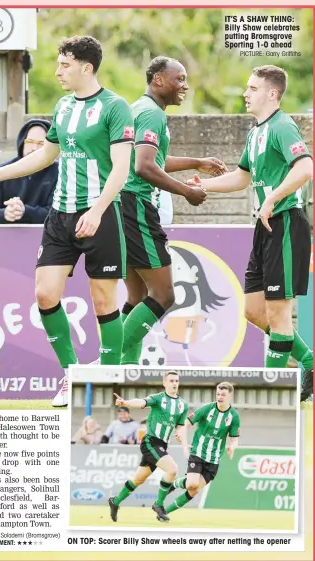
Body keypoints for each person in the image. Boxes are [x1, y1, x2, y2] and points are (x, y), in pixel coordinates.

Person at [0, 36, 134, 408]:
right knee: (44, 294)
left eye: (64, 65)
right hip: (60, 215)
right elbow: (44, 157)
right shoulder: (63, 106)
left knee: (105, 301)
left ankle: (106, 380)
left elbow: (122, 168)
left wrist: (98, 210)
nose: (57, 71)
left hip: (100, 213)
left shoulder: (115, 107)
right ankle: (71, 376)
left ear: (86, 68)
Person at [188, 65, 313, 401]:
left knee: (278, 313)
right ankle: (308, 359)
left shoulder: (283, 126)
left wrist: (273, 197)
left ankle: (271, 390)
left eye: (253, 88)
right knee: (254, 311)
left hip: (285, 222)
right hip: (265, 225)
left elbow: (306, 167)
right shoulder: (255, 131)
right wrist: (203, 185)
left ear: (272, 94)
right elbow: (242, 178)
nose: (246, 93)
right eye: (247, 87)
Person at [120, 56, 228, 367]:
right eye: (178, 79)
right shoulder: (151, 114)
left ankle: (121, 375)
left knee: (137, 298)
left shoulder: (139, 109)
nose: (185, 85)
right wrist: (186, 191)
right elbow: (143, 167)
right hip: (135, 205)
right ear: (158, 81)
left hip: (121, 205)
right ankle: (105, 360)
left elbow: (149, 159)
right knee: (165, 295)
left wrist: (196, 162)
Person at [108, 371, 189, 523]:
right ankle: (158, 505)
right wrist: (125, 403)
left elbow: (180, 426)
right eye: (171, 380)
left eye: (176, 380)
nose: (174, 383)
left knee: (138, 480)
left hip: (162, 445)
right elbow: (142, 402)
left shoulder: (182, 405)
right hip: (151, 441)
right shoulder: (158, 398)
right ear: (164, 383)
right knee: (172, 469)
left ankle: (115, 501)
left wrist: (181, 437)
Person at [159, 382, 240, 521]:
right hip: (198, 453)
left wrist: (232, 447)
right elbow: (186, 423)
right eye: (218, 394)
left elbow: (234, 439)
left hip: (214, 459)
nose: (220, 397)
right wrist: (181, 433)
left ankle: (164, 512)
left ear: (230, 396)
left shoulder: (234, 415)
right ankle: (174, 484)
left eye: (223, 395)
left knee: (194, 490)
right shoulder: (207, 409)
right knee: (191, 484)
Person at [0, 119, 58, 224]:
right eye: (30, 141)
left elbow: (57, 214)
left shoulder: (59, 173)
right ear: (22, 142)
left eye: (41, 143)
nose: (34, 148)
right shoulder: (3, 170)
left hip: (46, 236)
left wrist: (25, 211)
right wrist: (5, 213)